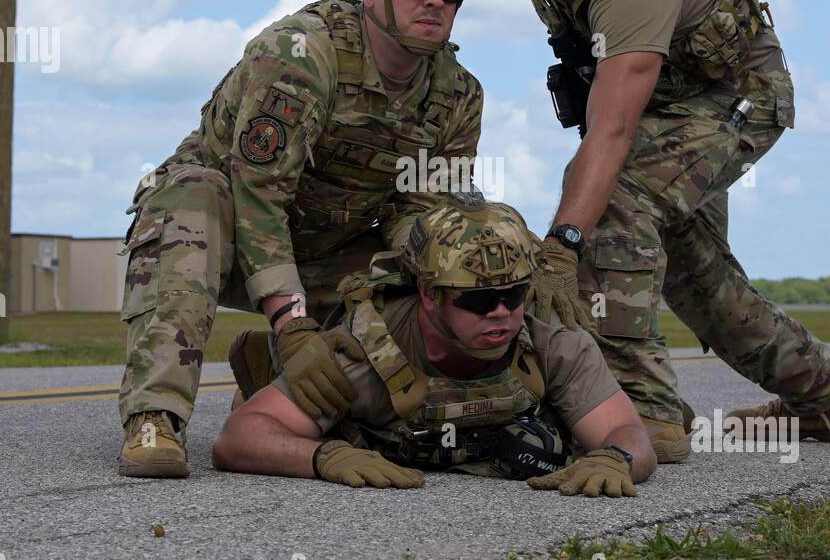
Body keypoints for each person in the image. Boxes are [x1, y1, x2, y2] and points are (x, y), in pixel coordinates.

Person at [480, 0, 830, 464]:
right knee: (695, 275)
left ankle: (646, 415)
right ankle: (826, 400)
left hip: (737, 100)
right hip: (666, 102)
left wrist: (561, 247)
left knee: (612, 199)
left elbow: (612, 130)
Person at [117, 0, 497, 478]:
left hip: (324, 250)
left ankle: (292, 391)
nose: (437, 2)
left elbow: (418, 216)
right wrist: (293, 324)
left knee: (429, 269)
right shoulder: (301, 56)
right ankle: (155, 417)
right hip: (226, 229)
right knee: (193, 199)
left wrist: (471, 261)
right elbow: (258, 199)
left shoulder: (457, 96)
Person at [213, 195, 656, 497]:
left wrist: (616, 459)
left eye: (515, 295)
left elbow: (629, 436)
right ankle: (266, 372)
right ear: (428, 294)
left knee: (670, 440)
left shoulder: (550, 344)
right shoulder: (364, 354)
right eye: (478, 300)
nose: (501, 312)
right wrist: (323, 456)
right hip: (364, 412)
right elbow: (238, 439)